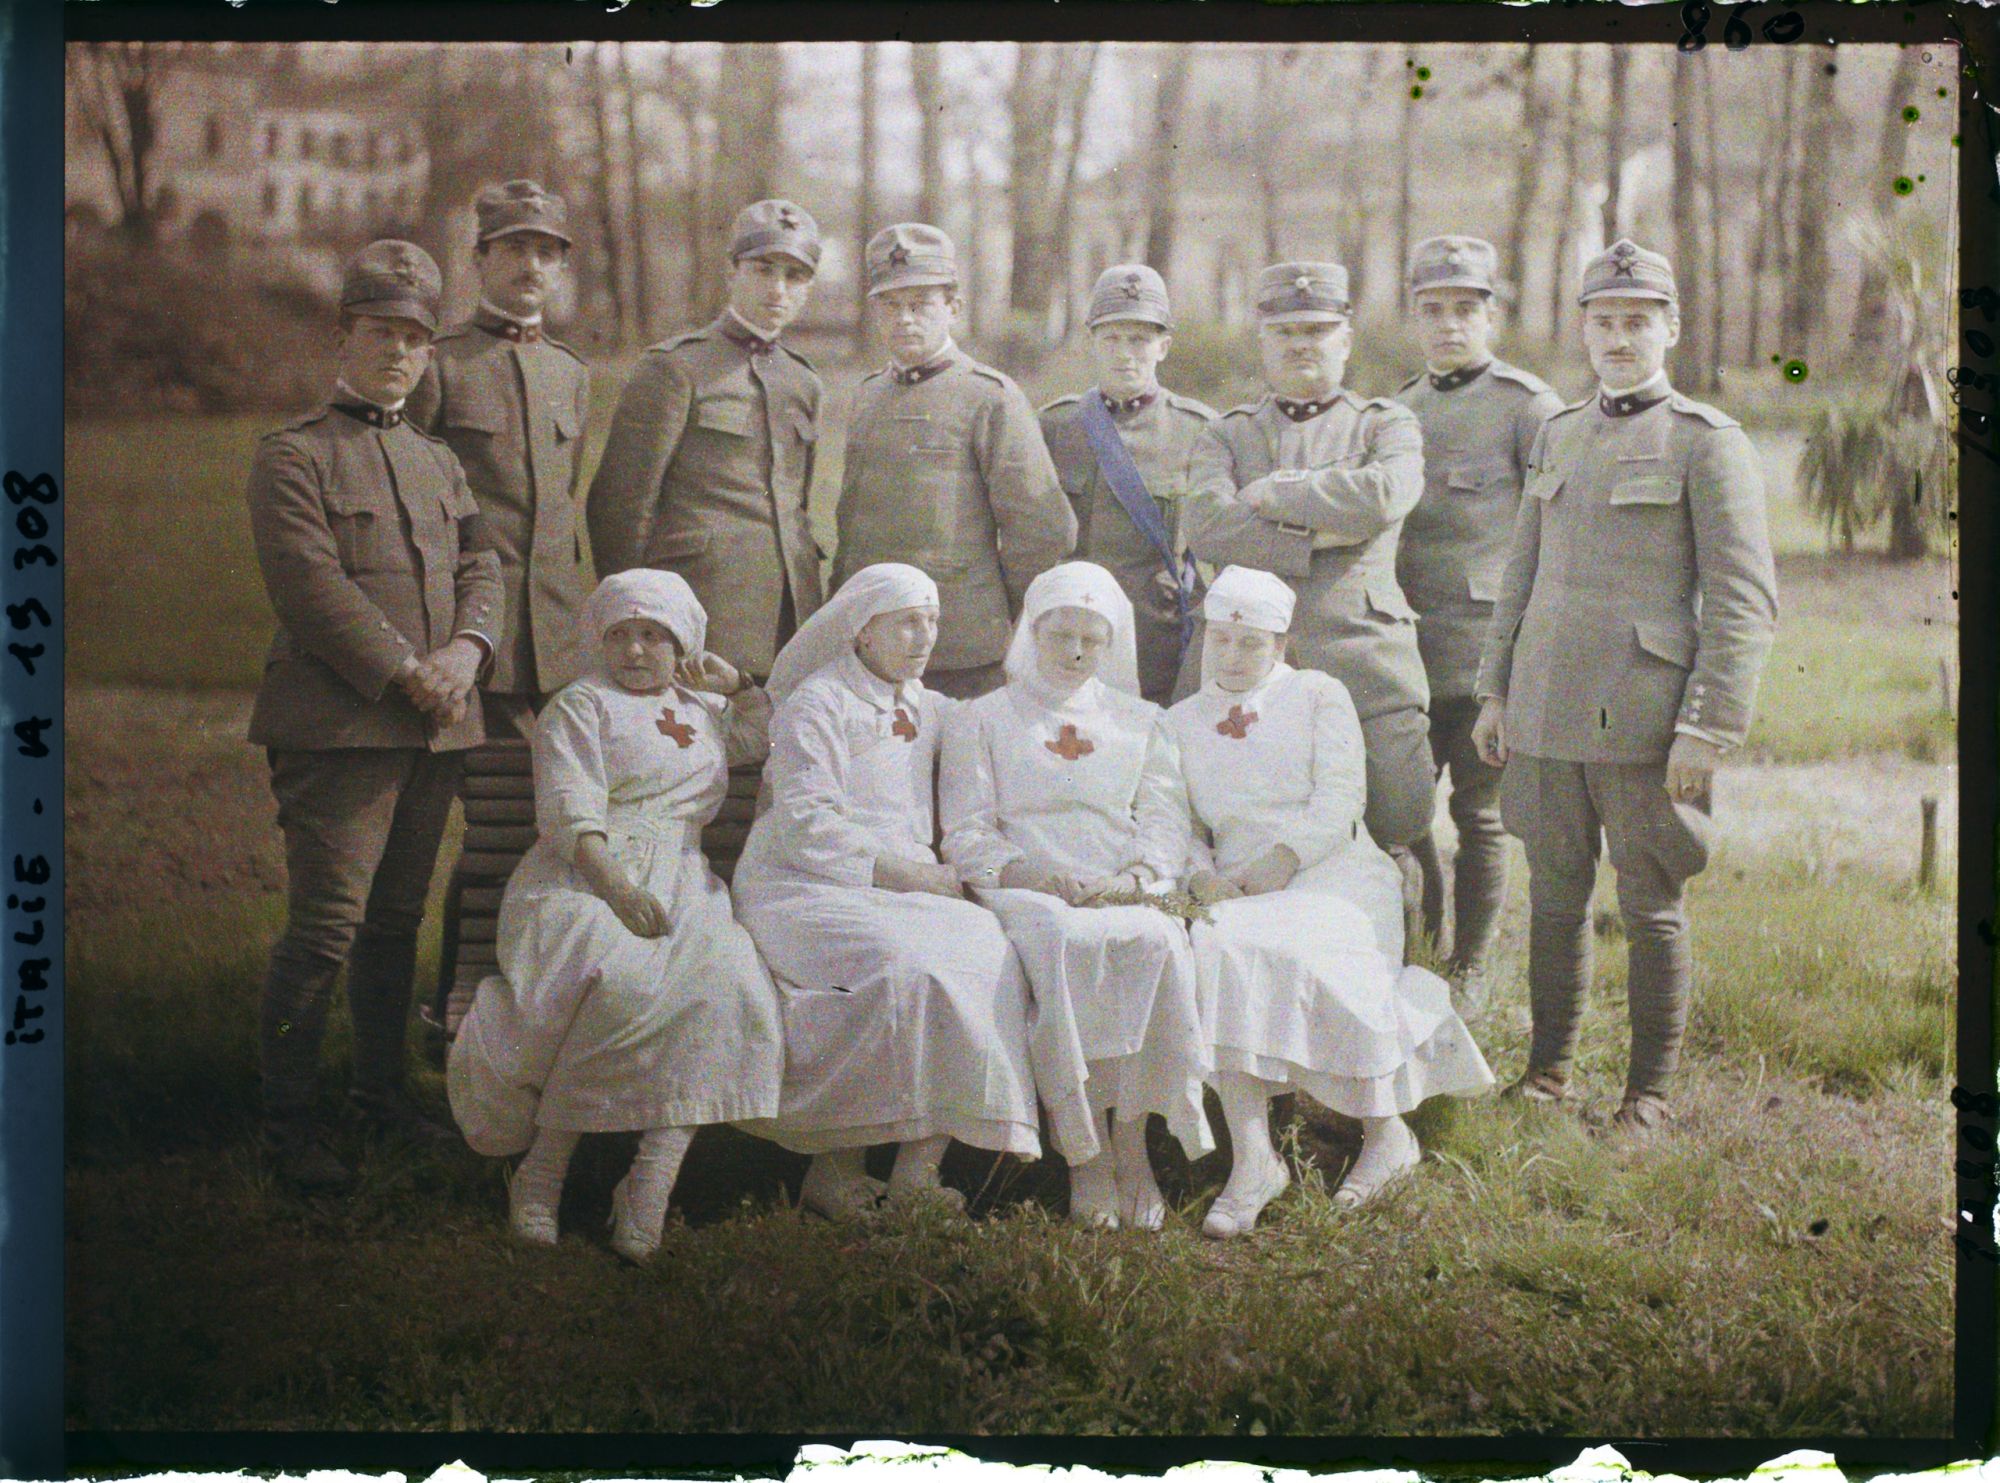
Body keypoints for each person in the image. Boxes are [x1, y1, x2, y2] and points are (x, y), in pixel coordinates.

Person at [1472, 239, 1779, 1135]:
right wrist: (1496, 690)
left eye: (1636, 320)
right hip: (1545, 710)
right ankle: (1547, 1072)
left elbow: (1742, 599)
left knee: (1651, 903)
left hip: (1647, 721)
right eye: (1603, 321)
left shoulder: (1705, 443)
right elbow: (1520, 577)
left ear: (1670, 329)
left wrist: (1708, 727)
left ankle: (1648, 1093)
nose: (1617, 337)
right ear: (1584, 330)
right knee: (1554, 894)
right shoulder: (1560, 432)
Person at [245, 239, 502, 1192]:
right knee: (325, 928)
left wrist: (467, 652)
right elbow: (309, 588)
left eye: (415, 337)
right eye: (380, 331)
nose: (398, 351)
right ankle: (288, 1122)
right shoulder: (292, 455)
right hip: (340, 729)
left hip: (436, 725)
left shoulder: (435, 460)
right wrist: (407, 669)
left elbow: (484, 565)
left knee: (397, 922)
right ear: (342, 334)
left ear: (431, 350)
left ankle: (380, 1098)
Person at [447, 569, 782, 1264]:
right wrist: (621, 892)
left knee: (727, 980)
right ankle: (543, 1170)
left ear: (681, 642)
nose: (635, 651)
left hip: (686, 878)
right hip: (584, 875)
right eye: (622, 635)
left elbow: (760, 733)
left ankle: (651, 1179)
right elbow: (572, 814)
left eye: (654, 636)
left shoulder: (701, 708)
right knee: (621, 974)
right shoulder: (581, 706)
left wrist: (740, 682)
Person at [1169, 567, 1494, 1238]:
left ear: (1284, 644)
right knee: (1219, 942)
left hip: (1332, 869)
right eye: (1220, 639)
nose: (1231, 656)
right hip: (1235, 885)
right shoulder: (1178, 721)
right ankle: (1253, 1156)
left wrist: (1280, 861)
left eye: (1250, 643)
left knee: (1312, 945)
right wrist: (1203, 877)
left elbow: (1338, 800)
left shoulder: (1320, 694)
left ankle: (1386, 1134)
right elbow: (1182, 828)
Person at [732, 563, 1042, 1218]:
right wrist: (912, 876)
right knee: (900, 967)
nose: (923, 635)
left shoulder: (931, 709)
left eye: (931, 620)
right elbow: (806, 825)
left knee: (987, 953)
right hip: (804, 880)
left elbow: (975, 795)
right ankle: (835, 1168)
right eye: (906, 620)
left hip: (902, 884)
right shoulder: (815, 704)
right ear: (862, 629)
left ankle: (915, 1171)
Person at [939, 561, 1210, 1231]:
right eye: (1060, 634)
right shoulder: (982, 718)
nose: (1076, 652)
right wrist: (1034, 875)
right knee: (1066, 943)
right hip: (1029, 888)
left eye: (1093, 638)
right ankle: (1083, 1149)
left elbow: (1165, 820)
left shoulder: (1141, 720)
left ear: (1111, 644)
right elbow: (967, 830)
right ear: (1032, 632)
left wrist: (1135, 879)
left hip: (1118, 883)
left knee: (1154, 939)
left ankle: (1133, 1143)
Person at [1181, 260, 1435, 922]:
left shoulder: (1386, 425)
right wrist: (1318, 534)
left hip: (1363, 657)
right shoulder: (1229, 432)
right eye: (1285, 330)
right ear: (1262, 339)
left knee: (1397, 817)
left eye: (1317, 329)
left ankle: (1410, 968)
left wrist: (1274, 495)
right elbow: (1206, 524)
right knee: (1219, 821)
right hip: (1246, 666)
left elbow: (1385, 496)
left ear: (1345, 337)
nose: (1301, 344)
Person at [407, 179, 594, 1037]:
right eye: (513, 247)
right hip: (464, 640)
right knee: (488, 831)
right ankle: (453, 1018)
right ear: (480, 258)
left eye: (546, 250)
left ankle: (496, 1014)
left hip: (553, 646)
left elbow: (563, 514)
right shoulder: (440, 365)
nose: (530, 265)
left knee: (527, 832)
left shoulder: (570, 374)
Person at [1392, 236, 1563, 989]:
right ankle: (1424, 954)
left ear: (1493, 313)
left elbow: (1559, 534)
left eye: (1466, 308)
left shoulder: (1527, 407)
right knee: (1400, 815)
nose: (1449, 325)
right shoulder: (1398, 409)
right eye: (1433, 309)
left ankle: (1469, 968)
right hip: (1405, 652)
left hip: (1488, 657)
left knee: (1481, 818)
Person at [830, 222, 1075, 699]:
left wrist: (988, 611)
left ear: (953, 308)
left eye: (920, 304)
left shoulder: (989, 397)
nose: (905, 319)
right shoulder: (867, 396)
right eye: (891, 305)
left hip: (958, 652)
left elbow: (1044, 529)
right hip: (868, 645)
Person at [587, 198, 826, 680]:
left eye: (795, 276)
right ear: (732, 271)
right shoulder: (675, 367)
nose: (778, 290)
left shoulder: (804, 383)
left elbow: (793, 507)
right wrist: (641, 624)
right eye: (763, 270)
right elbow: (619, 509)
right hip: (696, 609)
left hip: (787, 613)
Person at [1038, 265, 1217, 705]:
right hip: (1075, 638)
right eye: (1111, 339)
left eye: (1138, 340)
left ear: (1164, 347)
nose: (1125, 354)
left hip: (1158, 639)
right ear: (1091, 342)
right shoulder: (1055, 426)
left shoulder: (1200, 430)